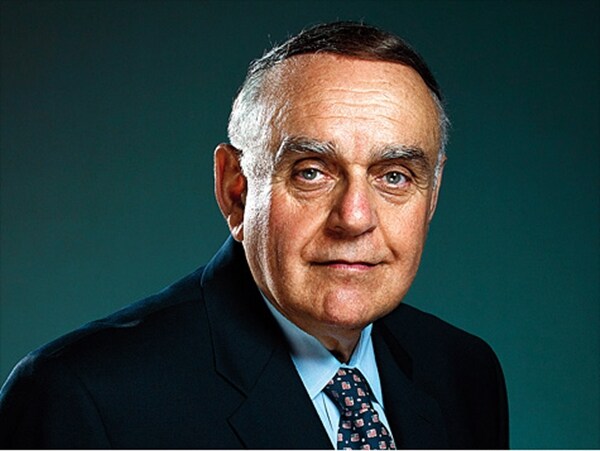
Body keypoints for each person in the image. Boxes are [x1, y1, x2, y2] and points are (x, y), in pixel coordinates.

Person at [0, 21, 508, 449]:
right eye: (311, 172)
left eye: (394, 176)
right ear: (235, 191)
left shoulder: (465, 373)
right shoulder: (81, 398)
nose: (355, 218)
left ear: (432, 194)